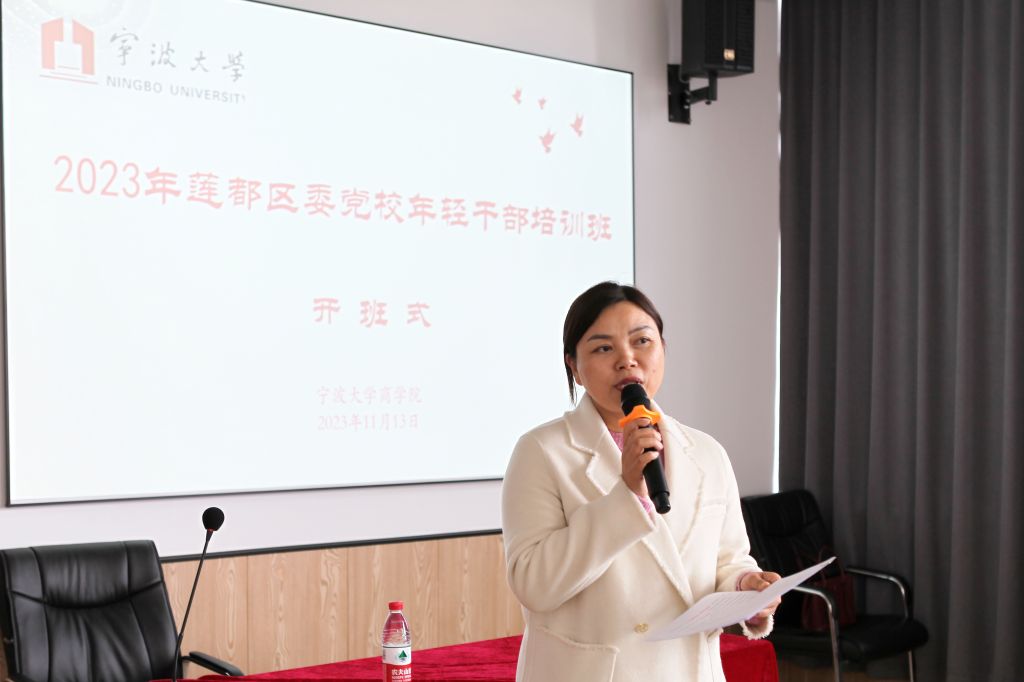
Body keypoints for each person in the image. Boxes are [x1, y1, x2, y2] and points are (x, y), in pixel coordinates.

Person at [501, 281, 781, 682]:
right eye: (603, 348)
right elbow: (534, 584)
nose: (627, 359)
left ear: (663, 349)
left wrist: (746, 587)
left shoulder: (706, 452)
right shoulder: (541, 451)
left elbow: (727, 559)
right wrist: (627, 495)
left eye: (642, 341)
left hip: (689, 670)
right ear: (574, 366)